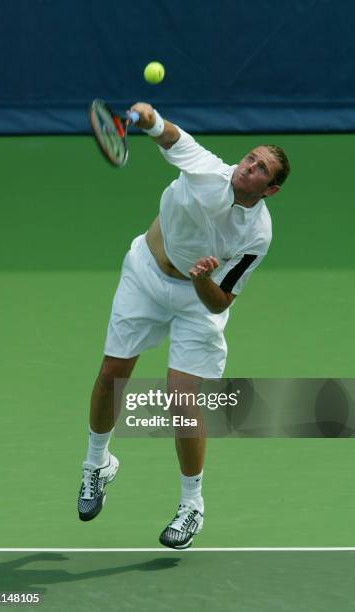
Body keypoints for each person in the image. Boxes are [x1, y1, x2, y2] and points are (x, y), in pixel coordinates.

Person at [77, 102, 290, 549]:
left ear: (269, 190)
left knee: (181, 400)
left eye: (259, 169)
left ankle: (192, 505)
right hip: (146, 275)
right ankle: (96, 465)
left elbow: (220, 303)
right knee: (111, 374)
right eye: (250, 158)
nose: (247, 167)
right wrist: (144, 117)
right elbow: (172, 137)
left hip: (198, 301)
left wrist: (202, 279)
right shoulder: (211, 171)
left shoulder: (258, 235)